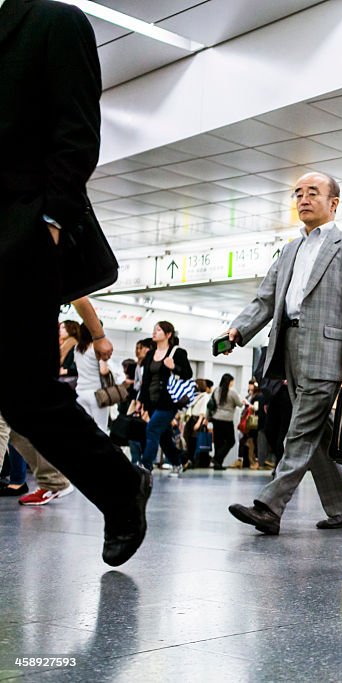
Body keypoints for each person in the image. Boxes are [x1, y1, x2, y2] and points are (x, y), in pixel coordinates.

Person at [0, 0, 150, 565]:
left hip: (20, 238)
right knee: (23, 393)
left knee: (26, 394)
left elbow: (76, 128)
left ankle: (120, 485)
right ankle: (120, 484)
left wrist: (51, 224)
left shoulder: (53, 21)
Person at [224, 171, 342, 535]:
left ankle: (270, 507)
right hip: (289, 345)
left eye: (313, 193)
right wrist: (239, 330)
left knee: (301, 431)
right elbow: (267, 298)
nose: (303, 199)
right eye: (298, 194)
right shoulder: (290, 249)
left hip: (328, 349)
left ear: (333, 203)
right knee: (318, 432)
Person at [137, 321, 192, 476]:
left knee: (152, 429)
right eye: (154, 329)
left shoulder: (177, 352)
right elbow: (146, 380)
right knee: (164, 436)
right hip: (151, 401)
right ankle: (178, 462)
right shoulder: (150, 354)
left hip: (168, 401)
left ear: (168, 335)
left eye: (159, 330)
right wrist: (140, 401)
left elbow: (188, 374)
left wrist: (174, 367)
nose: (155, 332)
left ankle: (145, 465)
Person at [72, 324, 123, 434]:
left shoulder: (77, 348)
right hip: (97, 395)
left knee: (83, 429)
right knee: (100, 429)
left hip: (80, 392)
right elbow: (103, 370)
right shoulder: (96, 348)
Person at [210, 374, 246, 470]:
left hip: (216, 418)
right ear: (230, 381)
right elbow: (239, 404)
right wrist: (242, 402)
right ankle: (217, 459)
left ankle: (218, 464)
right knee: (231, 441)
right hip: (227, 420)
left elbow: (211, 403)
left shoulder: (216, 390)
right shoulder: (232, 392)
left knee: (218, 442)